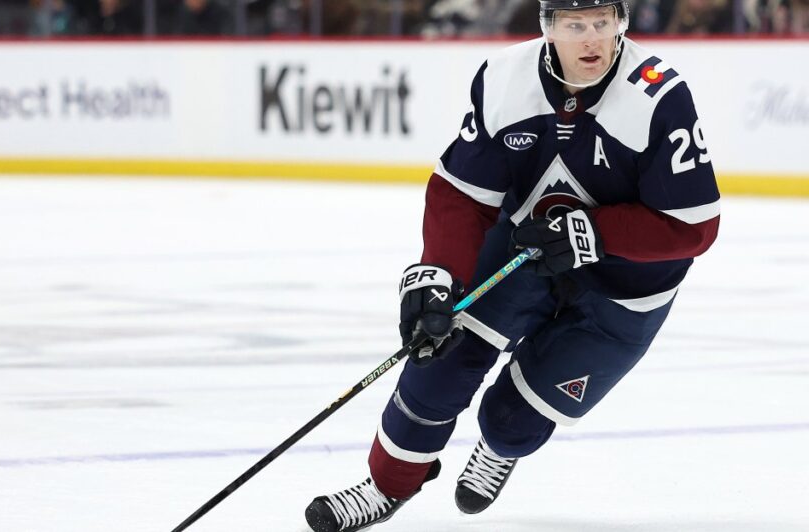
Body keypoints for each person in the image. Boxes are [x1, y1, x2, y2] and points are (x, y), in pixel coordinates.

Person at [305, 1, 720, 530]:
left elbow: (693, 226)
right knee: (441, 358)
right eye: (575, 25)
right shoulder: (505, 78)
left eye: (602, 23)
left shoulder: (658, 96)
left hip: (627, 284)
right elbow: (461, 194)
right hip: (525, 247)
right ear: (548, 27)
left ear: (621, 22)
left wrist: (595, 233)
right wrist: (439, 273)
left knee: (513, 418)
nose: (591, 39)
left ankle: (499, 448)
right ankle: (386, 486)